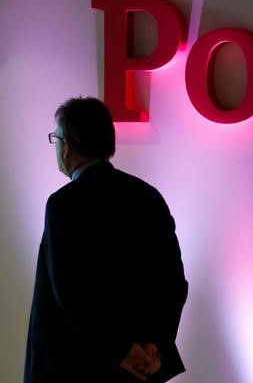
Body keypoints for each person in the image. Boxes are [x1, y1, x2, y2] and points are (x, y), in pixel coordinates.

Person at [25, 97, 188, 382]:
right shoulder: (148, 197)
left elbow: (72, 292)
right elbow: (173, 283)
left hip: (73, 368)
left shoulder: (64, 205)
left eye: (56, 138)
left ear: (67, 146)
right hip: (141, 370)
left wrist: (121, 350)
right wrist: (154, 345)